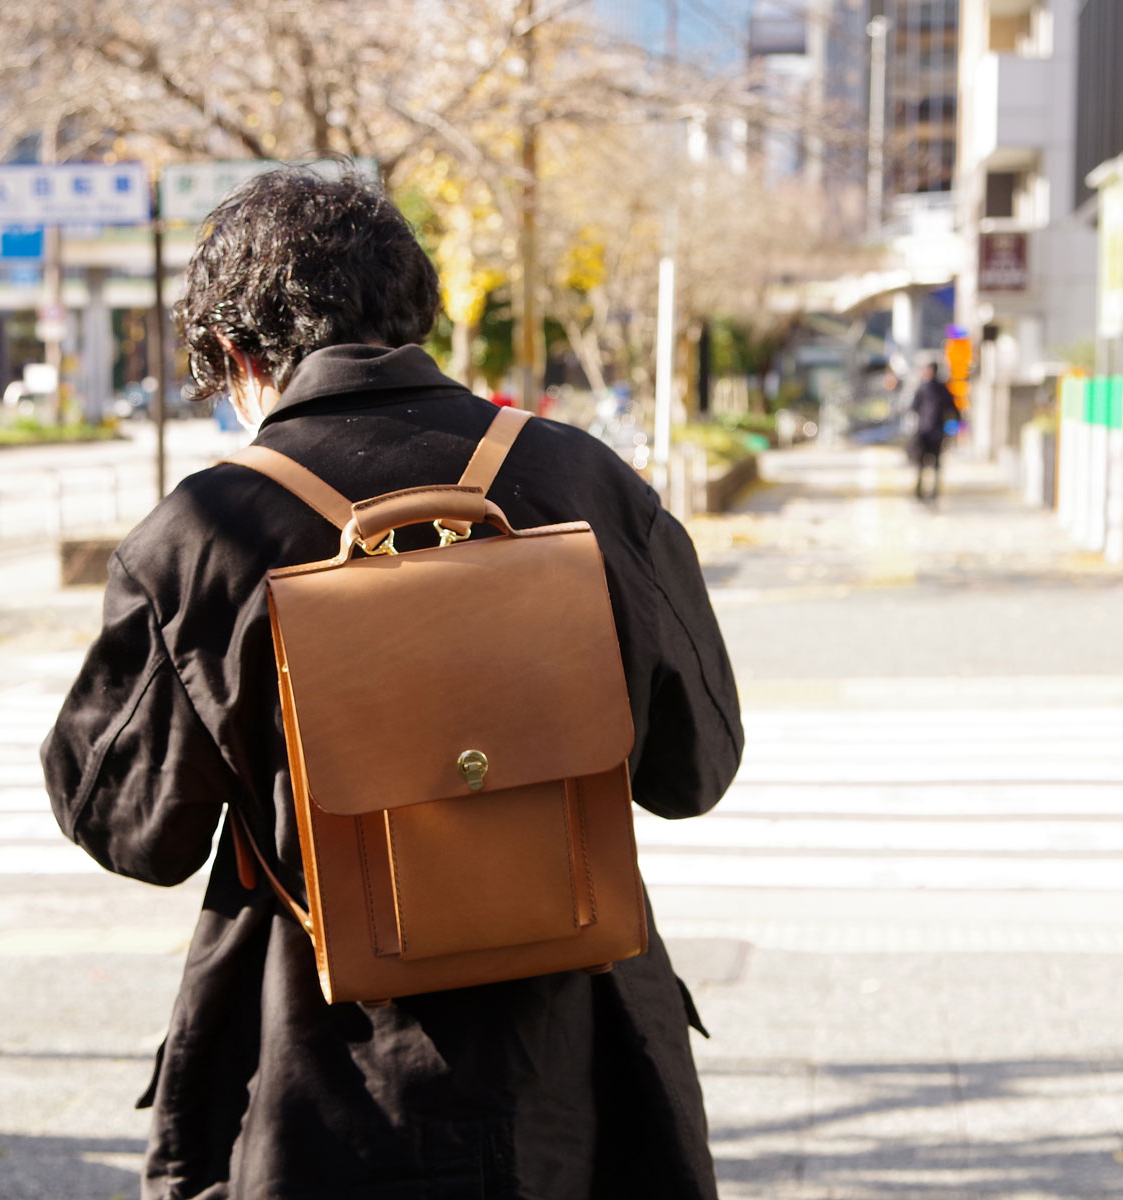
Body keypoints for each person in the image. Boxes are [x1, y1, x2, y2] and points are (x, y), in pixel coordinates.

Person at [42, 168, 744, 1200]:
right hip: (581, 1074)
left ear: (239, 358)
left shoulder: (207, 534)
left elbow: (128, 829)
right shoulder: (584, 483)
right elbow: (695, 769)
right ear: (414, 316)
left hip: (317, 1084)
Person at [910, 362, 961, 502]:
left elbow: (913, 407)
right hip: (935, 431)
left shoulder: (924, 388)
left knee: (923, 462)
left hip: (926, 431)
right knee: (933, 463)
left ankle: (924, 490)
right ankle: (929, 490)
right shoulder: (943, 389)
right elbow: (954, 410)